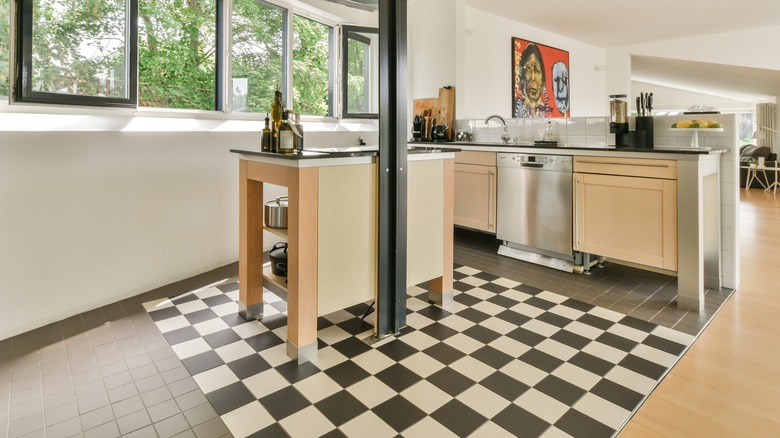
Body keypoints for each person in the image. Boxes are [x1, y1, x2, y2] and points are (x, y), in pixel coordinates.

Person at [514, 42, 553, 118]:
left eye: (537, 70)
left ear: (542, 78)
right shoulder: (516, 109)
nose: (532, 77)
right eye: (529, 69)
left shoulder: (545, 113)